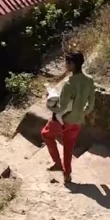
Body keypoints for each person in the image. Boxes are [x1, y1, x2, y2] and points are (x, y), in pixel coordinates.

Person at [41, 51, 95, 183]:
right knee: (69, 146)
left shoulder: (69, 84)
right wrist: (81, 113)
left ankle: (57, 163)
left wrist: (49, 104)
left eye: (67, 62)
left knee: (46, 135)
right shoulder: (89, 80)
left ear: (72, 64)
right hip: (77, 121)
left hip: (63, 120)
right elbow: (91, 104)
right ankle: (67, 174)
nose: (66, 65)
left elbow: (61, 107)